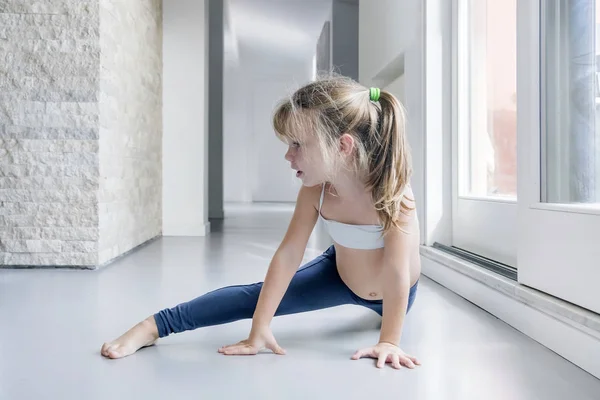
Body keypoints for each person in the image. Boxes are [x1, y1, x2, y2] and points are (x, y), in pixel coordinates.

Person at [101, 75, 422, 370]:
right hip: (339, 277)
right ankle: (154, 326)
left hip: (395, 296)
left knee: (391, 291)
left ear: (343, 146)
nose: (287, 156)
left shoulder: (393, 193)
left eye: (298, 144)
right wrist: (260, 326)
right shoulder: (315, 192)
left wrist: (389, 341)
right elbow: (288, 255)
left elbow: (397, 272)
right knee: (255, 298)